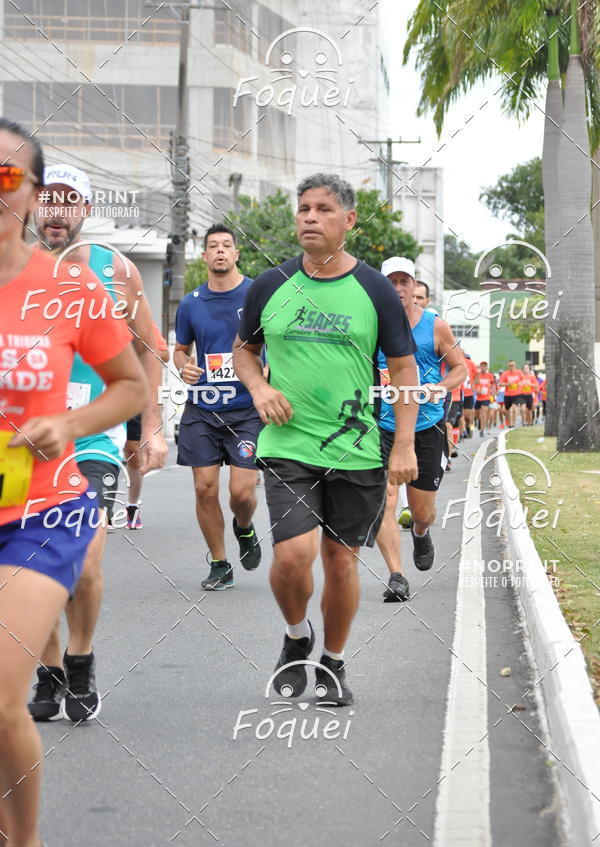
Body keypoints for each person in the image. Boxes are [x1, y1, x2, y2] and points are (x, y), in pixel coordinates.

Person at [0, 118, 147, 847]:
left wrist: (76, 420)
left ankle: (21, 838)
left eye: (8, 178)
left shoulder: (81, 283)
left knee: (2, 695)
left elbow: (134, 378)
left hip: (49, 494)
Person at [233, 173, 419, 705]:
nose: (310, 218)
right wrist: (259, 386)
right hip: (287, 444)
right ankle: (296, 638)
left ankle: (333, 663)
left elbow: (405, 372)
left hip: (355, 446)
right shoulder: (271, 284)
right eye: (303, 209)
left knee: (341, 561)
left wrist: (402, 444)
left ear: (349, 221)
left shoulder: (375, 290)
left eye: (323, 209)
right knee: (293, 556)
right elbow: (243, 349)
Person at [28, 163, 167, 724]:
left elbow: (149, 348)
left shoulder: (117, 270)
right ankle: (49, 667)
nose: (56, 211)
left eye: (69, 201)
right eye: (48, 200)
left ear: (85, 210)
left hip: (92, 432)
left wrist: (151, 426)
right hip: (21, 440)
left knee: (83, 563)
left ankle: (79, 659)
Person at [174, 223, 263, 590]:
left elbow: (274, 339)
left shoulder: (257, 293)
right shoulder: (191, 303)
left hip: (246, 409)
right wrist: (184, 367)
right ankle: (220, 563)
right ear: (205, 255)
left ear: (237, 253)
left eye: (228, 245)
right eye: (214, 246)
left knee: (241, 492)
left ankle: (244, 528)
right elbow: (180, 350)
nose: (221, 251)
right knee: (204, 488)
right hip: (203, 409)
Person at [375, 258, 466, 601]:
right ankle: (396, 575)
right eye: (391, 282)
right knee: (384, 502)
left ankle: (420, 531)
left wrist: (438, 388)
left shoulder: (435, 326)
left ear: (415, 287)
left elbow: (460, 369)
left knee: (423, 510)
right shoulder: (372, 326)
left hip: (426, 427)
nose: (398, 288)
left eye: (404, 281)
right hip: (382, 427)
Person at [123, 322, 170, 530]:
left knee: (132, 450)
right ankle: (97, 506)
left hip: (131, 392)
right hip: (98, 391)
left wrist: (133, 353)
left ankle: (132, 504)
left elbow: (163, 353)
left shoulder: (133, 314)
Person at [473, 360, 496, 436]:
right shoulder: (478, 374)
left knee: (484, 414)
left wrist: (493, 390)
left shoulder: (490, 375)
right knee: (477, 415)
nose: (484, 367)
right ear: (480, 367)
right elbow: (474, 383)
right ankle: (479, 421)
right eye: (482, 366)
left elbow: (493, 384)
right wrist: (477, 391)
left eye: (485, 366)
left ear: (486, 367)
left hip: (486, 397)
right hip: (478, 398)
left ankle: (482, 431)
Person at [499, 359, 524, 427]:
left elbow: (523, 381)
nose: (511, 367)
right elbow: (500, 383)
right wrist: (507, 384)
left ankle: (513, 424)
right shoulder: (505, 373)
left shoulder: (519, 372)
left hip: (517, 394)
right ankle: (509, 424)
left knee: (513, 408)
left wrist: (520, 383)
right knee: (507, 411)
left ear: (515, 366)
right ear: (508, 366)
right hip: (507, 394)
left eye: (512, 365)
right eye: (510, 365)